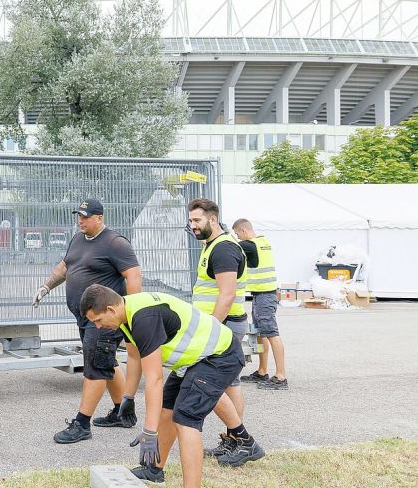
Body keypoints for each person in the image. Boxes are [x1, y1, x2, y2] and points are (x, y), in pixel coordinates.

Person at [82, 286, 264, 487]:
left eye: (97, 321)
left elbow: (154, 379)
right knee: (167, 409)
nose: (98, 327)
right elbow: (134, 357)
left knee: (186, 418)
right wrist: (128, 397)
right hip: (194, 359)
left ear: (110, 309)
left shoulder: (143, 318)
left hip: (219, 355)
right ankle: (154, 470)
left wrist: (149, 432)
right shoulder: (126, 314)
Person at [33, 198, 143, 444]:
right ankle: (122, 412)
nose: (80, 220)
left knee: (95, 366)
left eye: (85, 216)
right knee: (106, 362)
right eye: (78, 216)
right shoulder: (78, 239)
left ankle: (82, 424)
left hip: (106, 319)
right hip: (86, 318)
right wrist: (46, 286)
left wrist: (133, 312)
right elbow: (65, 266)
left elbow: (133, 275)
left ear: (99, 218)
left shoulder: (115, 243)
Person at [187, 198, 264, 465]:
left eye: (197, 220)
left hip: (223, 326)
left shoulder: (223, 249)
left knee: (209, 382)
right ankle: (234, 440)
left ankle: (242, 441)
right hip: (224, 325)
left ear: (212, 219)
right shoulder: (213, 246)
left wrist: (210, 329)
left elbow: (227, 294)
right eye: (190, 221)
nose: (192, 226)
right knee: (231, 383)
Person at [233, 219, 288, 390]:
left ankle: (280, 376)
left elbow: (230, 245)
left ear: (243, 231)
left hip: (265, 296)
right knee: (261, 333)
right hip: (262, 295)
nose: (237, 236)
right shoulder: (262, 241)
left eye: (237, 233)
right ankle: (262, 371)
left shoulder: (250, 245)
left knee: (271, 333)